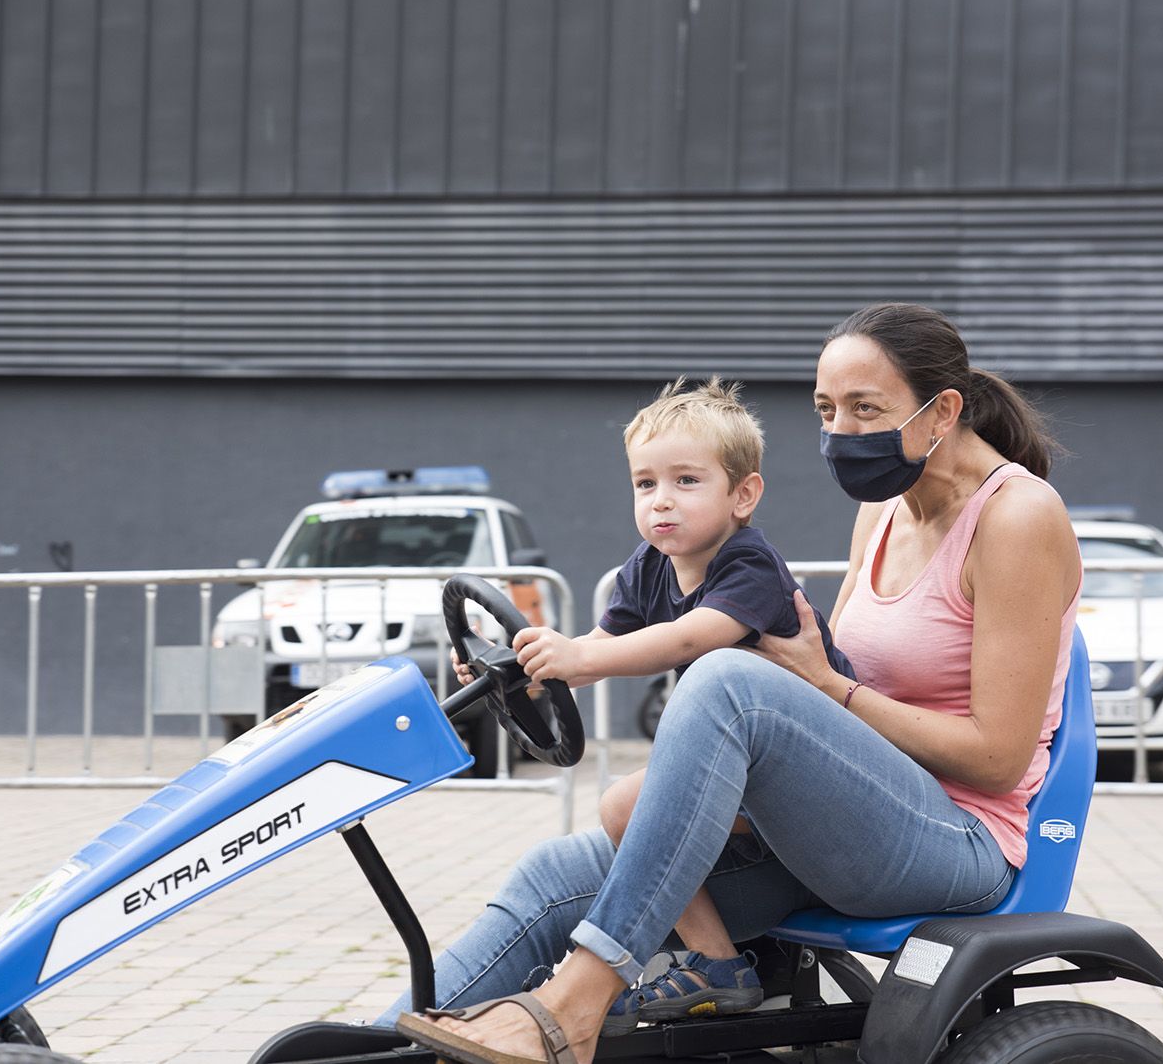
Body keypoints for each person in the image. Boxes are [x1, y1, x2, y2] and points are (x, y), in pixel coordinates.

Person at [392, 303, 1082, 1064]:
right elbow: (820, 696)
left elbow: (996, 758)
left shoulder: (1017, 516)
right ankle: (364, 1047)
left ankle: (575, 1005)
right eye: (826, 410)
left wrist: (828, 689)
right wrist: (532, 670)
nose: (841, 433)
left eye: (865, 409)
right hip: (843, 822)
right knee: (557, 874)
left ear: (942, 411)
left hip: (957, 841)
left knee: (731, 677)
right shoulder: (885, 513)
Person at [474, 375, 857, 1033]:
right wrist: (520, 670)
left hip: (819, 777)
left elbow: (690, 637)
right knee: (624, 805)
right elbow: (596, 646)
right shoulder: (649, 565)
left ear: (743, 495)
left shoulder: (750, 566)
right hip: (749, 776)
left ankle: (693, 969)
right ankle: (712, 963)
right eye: (645, 484)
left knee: (624, 803)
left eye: (686, 481)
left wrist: (578, 660)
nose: (661, 501)